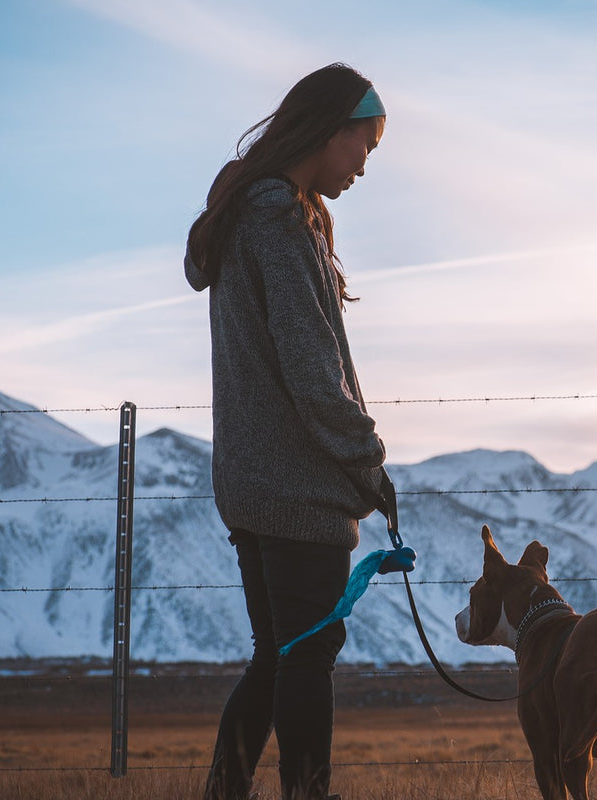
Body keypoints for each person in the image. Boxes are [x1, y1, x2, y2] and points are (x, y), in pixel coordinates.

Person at [184, 62, 390, 800]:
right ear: (331, 130)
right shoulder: (279, 223)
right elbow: (313, 374)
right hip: (297, 483)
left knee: (278, 655)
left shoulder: (248, 217)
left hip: (250, 481)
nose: (365, 165)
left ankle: (224, 791)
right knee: (306, 657)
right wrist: (370, 467)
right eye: (363, 146)